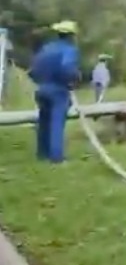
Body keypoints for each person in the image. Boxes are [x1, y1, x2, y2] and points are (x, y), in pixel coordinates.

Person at [28, 21, 81, 163]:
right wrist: (74, 79)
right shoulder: (69, 50)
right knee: (57, 123)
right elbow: (67, 68)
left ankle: (42, 155)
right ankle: (57, 158)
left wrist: (41, 81)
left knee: (44, 122)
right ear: (71, 36)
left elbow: (32, 71)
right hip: (58, 90)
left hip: (42, 90)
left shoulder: (46, 49)